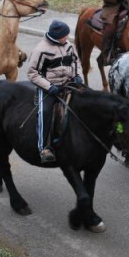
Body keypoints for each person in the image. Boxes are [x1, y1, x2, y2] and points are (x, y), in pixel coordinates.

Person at [27, 20, 84, 162]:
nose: (67, 37)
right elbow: (32, 73)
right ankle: (43, 148)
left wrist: (77, 76)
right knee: (45, 112)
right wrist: (49, 87)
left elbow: (76, 62)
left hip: (68, 84)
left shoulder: (69, 45)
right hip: (49, 88)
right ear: (57, 36)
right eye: (65, 35)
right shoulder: (41, 50)